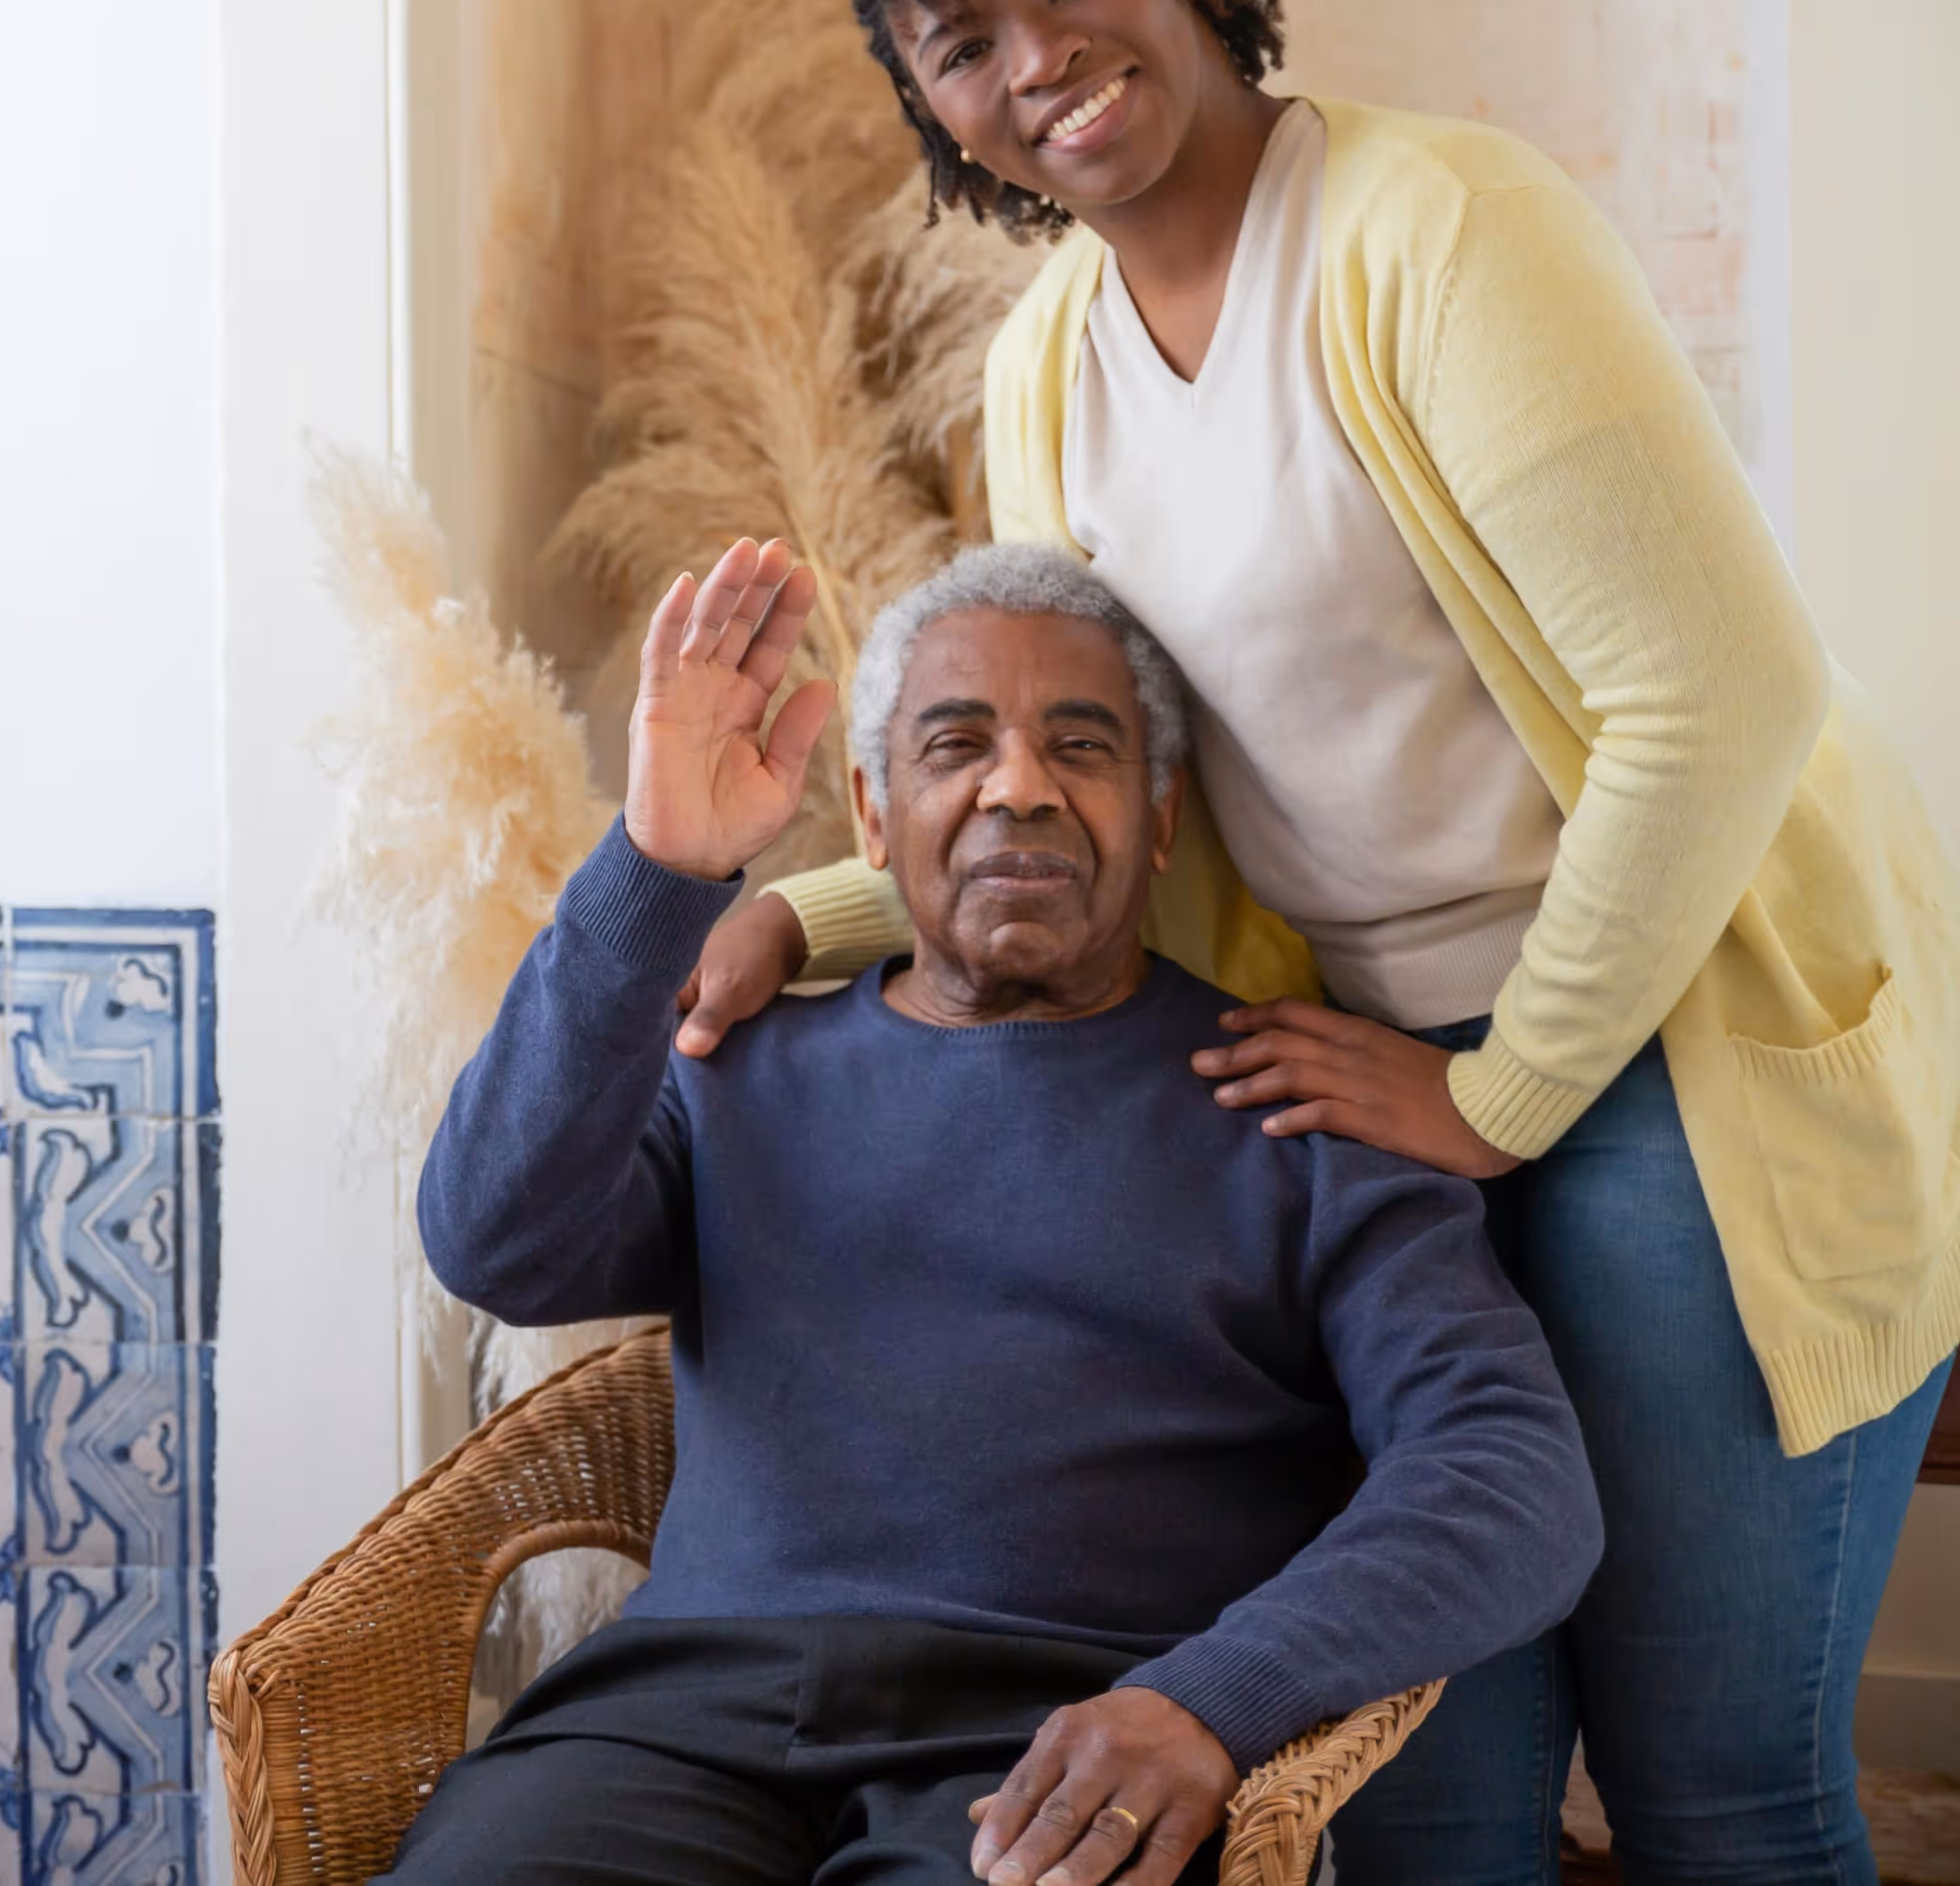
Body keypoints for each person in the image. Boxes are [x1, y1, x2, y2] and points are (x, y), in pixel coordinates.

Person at [670, 0, 1960, 1882]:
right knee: (1409, 1792)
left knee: (1706, 1783)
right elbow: (1107, 759)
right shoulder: (1047, 367)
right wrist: (815, 917)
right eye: (964, 41)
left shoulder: (1440, 231)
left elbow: (1713, 702)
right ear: (934, 111)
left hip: (1675, 1035)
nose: (1039, 57)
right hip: (1366, 1063)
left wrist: (1498, 1098)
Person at [393, 536, 1599, 1886]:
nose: (1018, 786)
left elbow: (1514, 1477)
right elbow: (494, 1241)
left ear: (1162, 820)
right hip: (673, 1732)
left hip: (1063, 1743)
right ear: (873, 814)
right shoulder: (734, 1066)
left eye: (1080, 747)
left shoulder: (1304, 1110)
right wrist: (656, 869)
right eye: (956, 744)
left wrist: (1214, 1698)